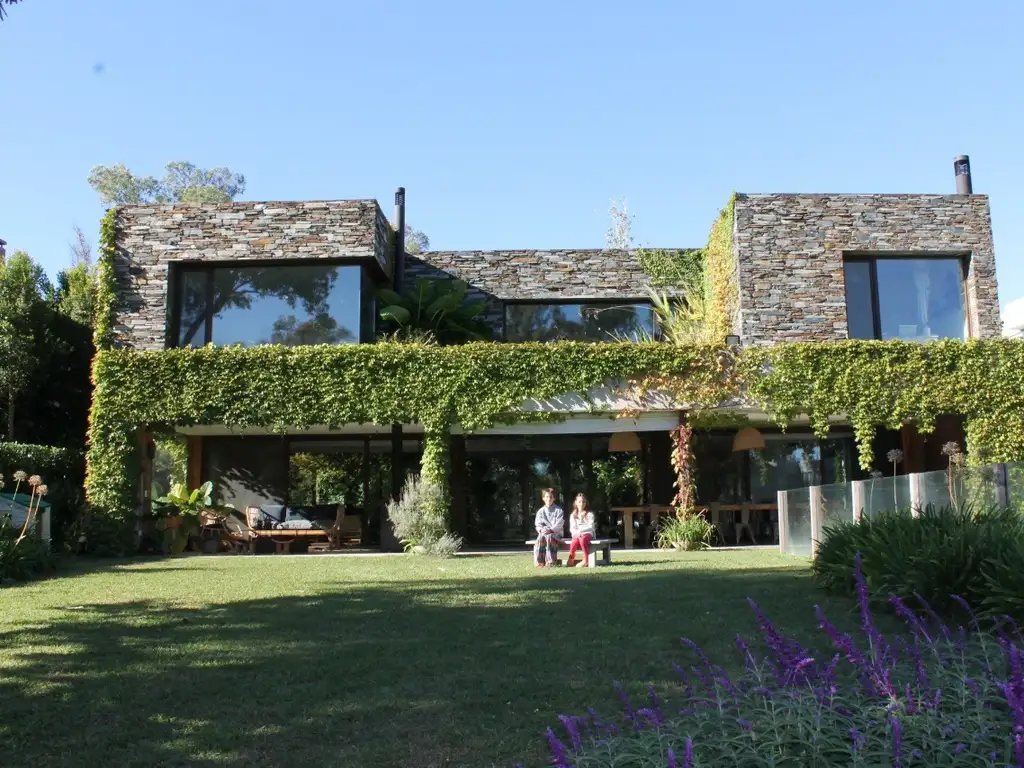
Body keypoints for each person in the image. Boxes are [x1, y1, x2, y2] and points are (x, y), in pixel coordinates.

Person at [533, 487, 564, 568]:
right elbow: (538, 524)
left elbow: (559, 524)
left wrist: (550, 530)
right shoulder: (540, 511)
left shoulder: (559, 510)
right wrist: (541, 530)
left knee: (549, 536)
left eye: (551, 497)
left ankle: (550, 562)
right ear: (543, 498)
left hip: (555, 533)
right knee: (540, 537)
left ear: (554, 498)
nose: (549, 499)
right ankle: (539, 562)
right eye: (547, 497)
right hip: (544, 533)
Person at [566, 493, 596, 568]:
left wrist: (581, 531)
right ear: (576, 503)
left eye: (583, 502)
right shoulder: (573, 515)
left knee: (582, 539)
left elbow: (591, 526)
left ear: (586, 503)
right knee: (574, 541)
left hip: (587, 533)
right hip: (577, 534)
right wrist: (576, 533)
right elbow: (572, 528)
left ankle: (586, 560)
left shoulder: (589, 514)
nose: (581, 503)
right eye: (579, 501)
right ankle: (571, 557)